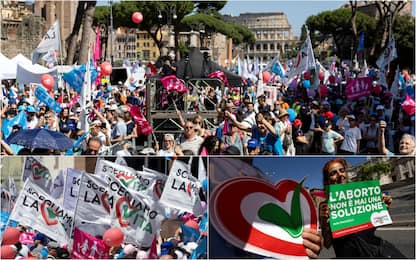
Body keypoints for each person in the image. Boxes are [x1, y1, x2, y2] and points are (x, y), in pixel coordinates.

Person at [320, 158, 404, 258]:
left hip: (375, 251)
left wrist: (383, 208)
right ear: (327, 180)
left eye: (342, 170)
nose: (340, 175)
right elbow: (327, 244)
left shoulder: (361, 196)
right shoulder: (324, 207)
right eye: (333, 173)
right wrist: (325, 224)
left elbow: (372, 227)